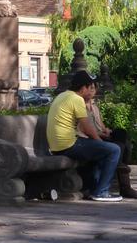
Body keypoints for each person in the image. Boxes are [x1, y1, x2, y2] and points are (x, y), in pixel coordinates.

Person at [46, 70, 122, 202]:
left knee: (100, 151)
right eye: (89, 87)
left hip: (57, 145)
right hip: (68, 145)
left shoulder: (63, 96)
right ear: (83, 88)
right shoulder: (77, 99)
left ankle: (92, 189)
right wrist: (100, 142)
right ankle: (101, 192)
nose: (91, 91)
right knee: (114, 150)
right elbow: (88, 128)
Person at [80, 82, 137, 199]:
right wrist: (100, 134)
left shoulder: (95, 107)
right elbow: (86, 130)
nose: (91, 91)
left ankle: (119, 168)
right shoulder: (79, 106)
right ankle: (124, 186)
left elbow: (101, 125)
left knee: (122, 134)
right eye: (89, 88)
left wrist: (106, 130)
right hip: (91, 138)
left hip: (101, 134)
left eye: (94, 89)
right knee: (121, 146)